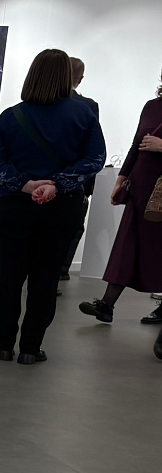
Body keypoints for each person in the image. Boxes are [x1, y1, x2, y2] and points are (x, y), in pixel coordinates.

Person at [0, 48, 105, 365]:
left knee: (8, 276)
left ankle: (4, 345)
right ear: (67, 76)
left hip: (14, 206)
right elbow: (94, 160)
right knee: (45, 279)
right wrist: (56, 184)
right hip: (62, 207)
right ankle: (30, 348)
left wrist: (25, 184)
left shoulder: (11, 116)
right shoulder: (83, 115)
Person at [79, 66, 162, 326]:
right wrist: (122, 179)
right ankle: (107, 305)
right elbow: (136, 144)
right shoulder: (152, 106)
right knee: (128, 244)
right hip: (142, 186)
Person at [59, 57, 99, 282]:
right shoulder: (88, 107)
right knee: (72, 228)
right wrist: (87, 187)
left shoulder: (39, 102)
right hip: (74, 181)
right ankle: (60, 271)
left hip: (41, 180)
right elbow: (91, 152)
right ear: (80, 79)